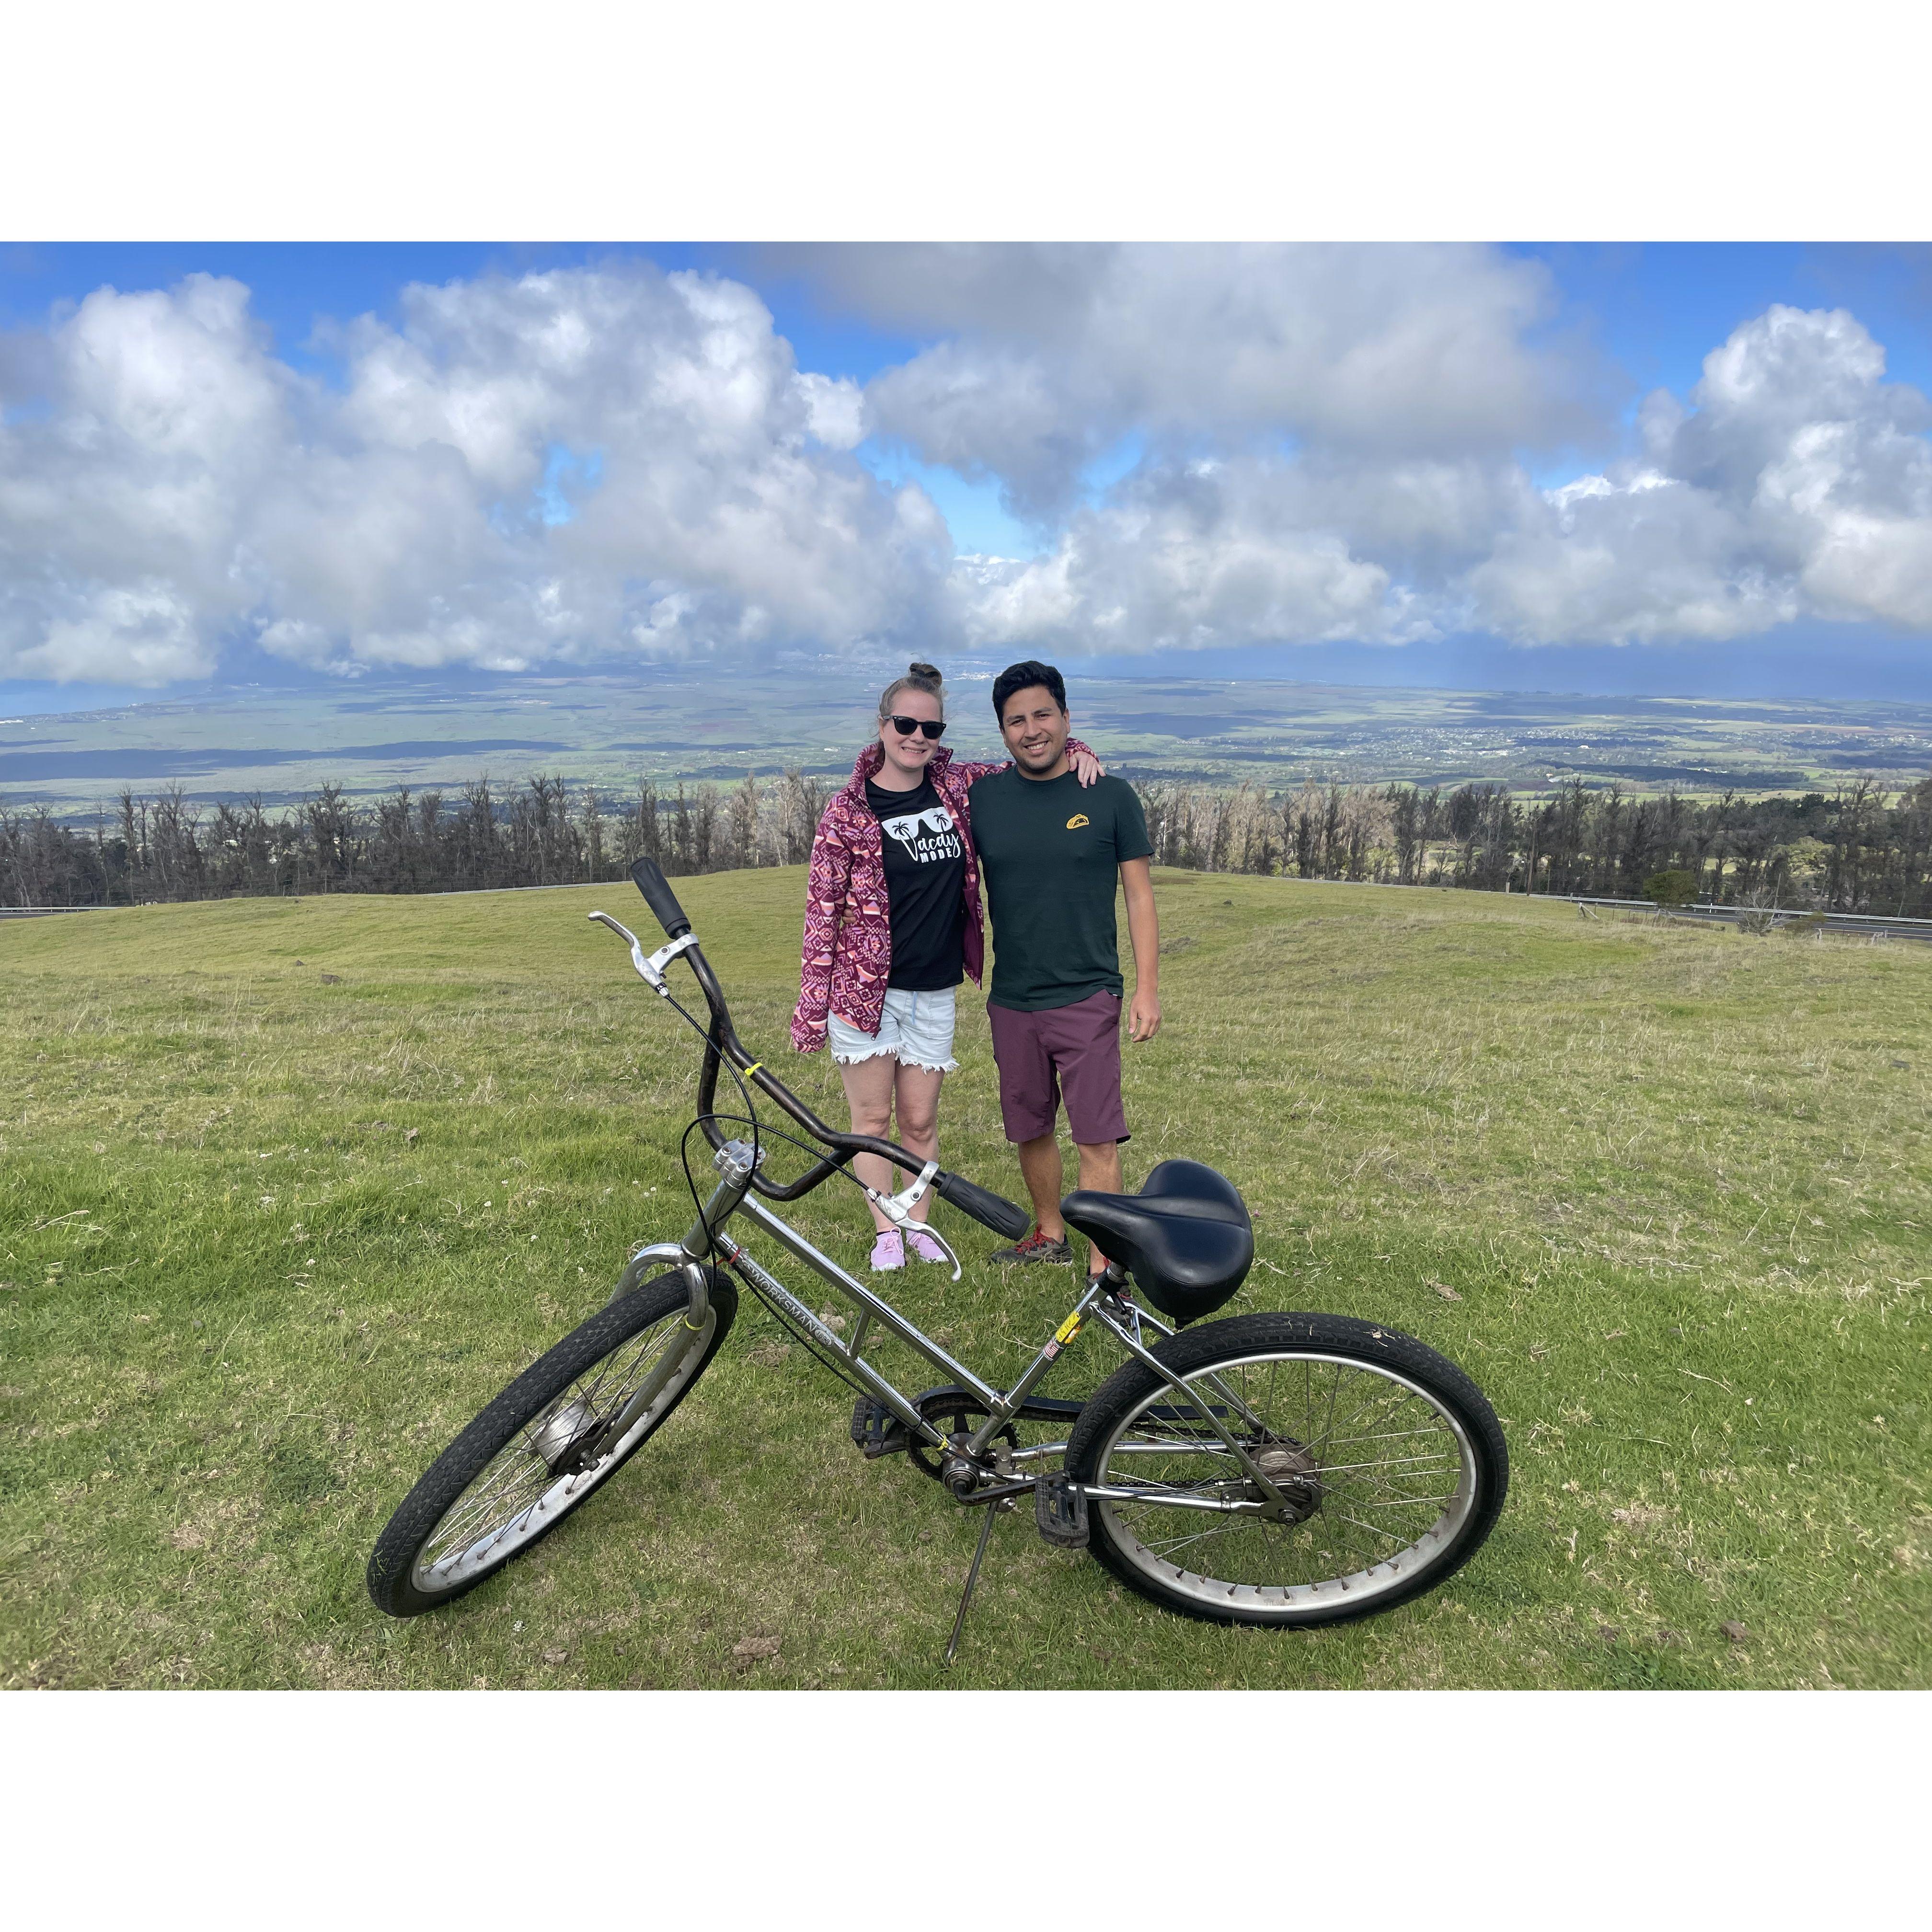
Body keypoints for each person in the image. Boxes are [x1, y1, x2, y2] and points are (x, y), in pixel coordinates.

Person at [791, 662, 1102, 1270]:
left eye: (930, 728)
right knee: (871, 1120)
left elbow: (1028, 760)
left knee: (920, 1120)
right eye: (905, 725)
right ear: (883, 726)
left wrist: (1080, 749)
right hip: (863, 993)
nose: (918, 737)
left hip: (933, 988)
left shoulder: (957, 786)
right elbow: (821, 915)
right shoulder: (846, 811)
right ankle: (886, 1231)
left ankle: (919, 1224)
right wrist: (811, 1008)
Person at [968, 659, 1160, 1284]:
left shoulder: (1110, 796)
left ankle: (1105, 1267)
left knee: (1096, 1137)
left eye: (1043, 715)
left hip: (1087, 994)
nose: (1032, 730)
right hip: (1012, 998)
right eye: (1016, 721)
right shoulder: (982, 799)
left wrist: (1147, 990)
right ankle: (1050, 1234)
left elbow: (1139, 897)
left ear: (1067, 718)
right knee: (1029, 1126)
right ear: (1002, 731)